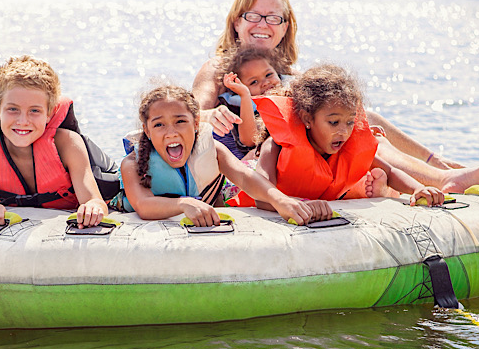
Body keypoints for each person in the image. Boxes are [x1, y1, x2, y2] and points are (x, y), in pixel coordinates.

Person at [192, 0, 479, 192]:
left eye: (273, 18)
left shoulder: (292, 75)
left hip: (308, 158)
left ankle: (440, 169)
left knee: (363, 121)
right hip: (257, 162)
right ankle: (441, 178)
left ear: (285, 27)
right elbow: (193, 111)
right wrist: (211, 115)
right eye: (253, 16)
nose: (263, 24)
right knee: (360, 125)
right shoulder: (217, 69)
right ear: (237, 21)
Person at [112, 84, 331, 227]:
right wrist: (183, 204)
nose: (171, 132)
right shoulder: (132, 163)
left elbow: (245, 177)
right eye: (159, 125)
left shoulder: (212, 150)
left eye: (180, 121)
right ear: (147, 130)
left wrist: (283, 200)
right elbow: (143, 204)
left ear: (196, 123)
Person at [0, 55, 111, 227]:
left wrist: (92, 208)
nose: (23, 121)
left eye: (34, 111)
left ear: (49, 113)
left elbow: (95, 201)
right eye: (13, 109)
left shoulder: (68, 144)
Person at [250, 64, 445, 207]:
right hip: (252, 194)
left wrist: (417, 188)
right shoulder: (274, 146)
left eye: (350, 122)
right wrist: (299, 204)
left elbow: (391, 171)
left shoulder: (346, 144)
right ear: (307, 118)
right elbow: (260, 196)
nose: (343, 131)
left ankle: (380, 190)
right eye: (334, 122)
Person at [212, 45, 288, 159]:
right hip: (261, 159)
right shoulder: (244, 107)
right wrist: (245, 95)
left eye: (268, 74)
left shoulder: (291, 90)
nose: (265, 83)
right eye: (254, 82)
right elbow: (250, 140)